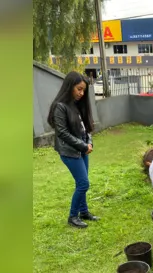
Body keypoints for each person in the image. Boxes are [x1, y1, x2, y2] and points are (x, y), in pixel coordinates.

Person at [48, 71, 99, 229]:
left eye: (83, 90)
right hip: (70, 152)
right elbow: (62, 133)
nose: (81, 93)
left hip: (82, 150)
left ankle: (84, 212)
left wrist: (88, 142)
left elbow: (86, 128)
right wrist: (83, 146)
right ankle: (73, 216)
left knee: (81, 182)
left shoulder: (77, 105)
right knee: (83, 184)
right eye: (79, 89)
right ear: (69, 87)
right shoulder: (60, 107)